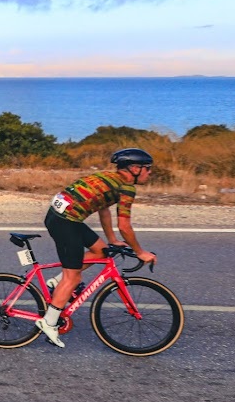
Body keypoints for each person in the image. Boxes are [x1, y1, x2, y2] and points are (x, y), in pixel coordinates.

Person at [37, 147, 159, 348]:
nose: (149, 172)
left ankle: (55, 283)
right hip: (66, 222)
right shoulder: (126, 187)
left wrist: (111, 240)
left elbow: (104, 210)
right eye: (147, 168)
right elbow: (125, 226)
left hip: (63, 217)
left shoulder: (107, 177)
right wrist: (140, 252)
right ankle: (48, 322)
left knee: (101, 251)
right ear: (135, 168)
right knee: (73, 276)